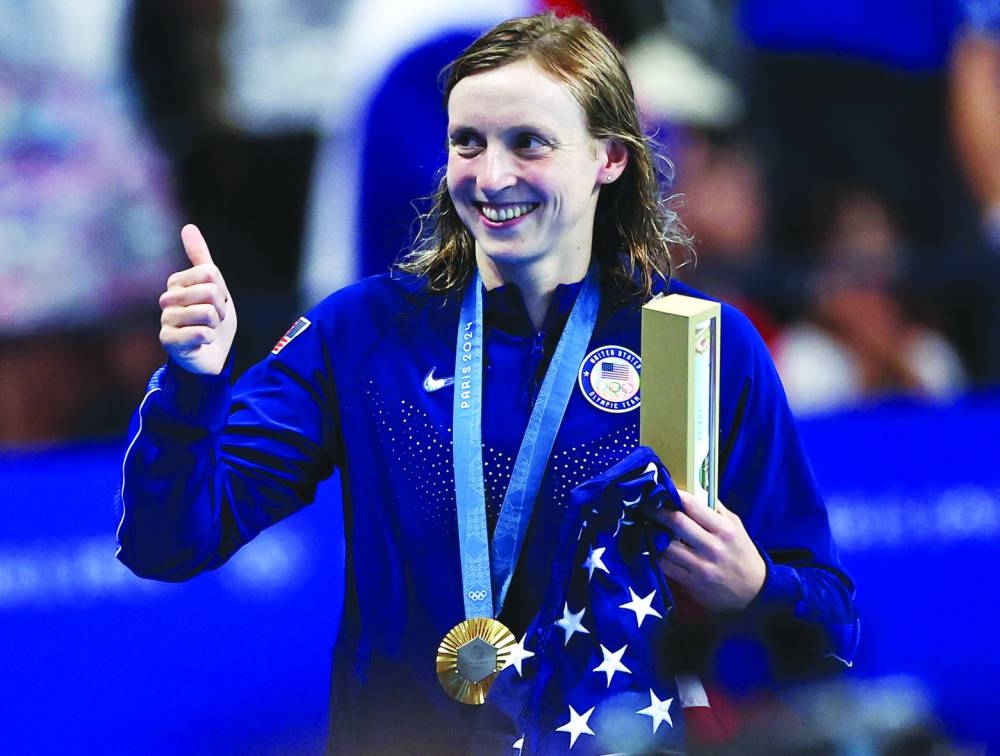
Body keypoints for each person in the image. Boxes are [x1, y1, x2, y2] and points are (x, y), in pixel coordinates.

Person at [115, 13, 858, 754]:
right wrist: (192, 387)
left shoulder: (695, 343)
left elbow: (833, 634)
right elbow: (170, 543)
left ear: (609, 158)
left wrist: (758, 588)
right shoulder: (366, 333)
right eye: (467, 142)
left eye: (528, 142)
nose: (490, 176)